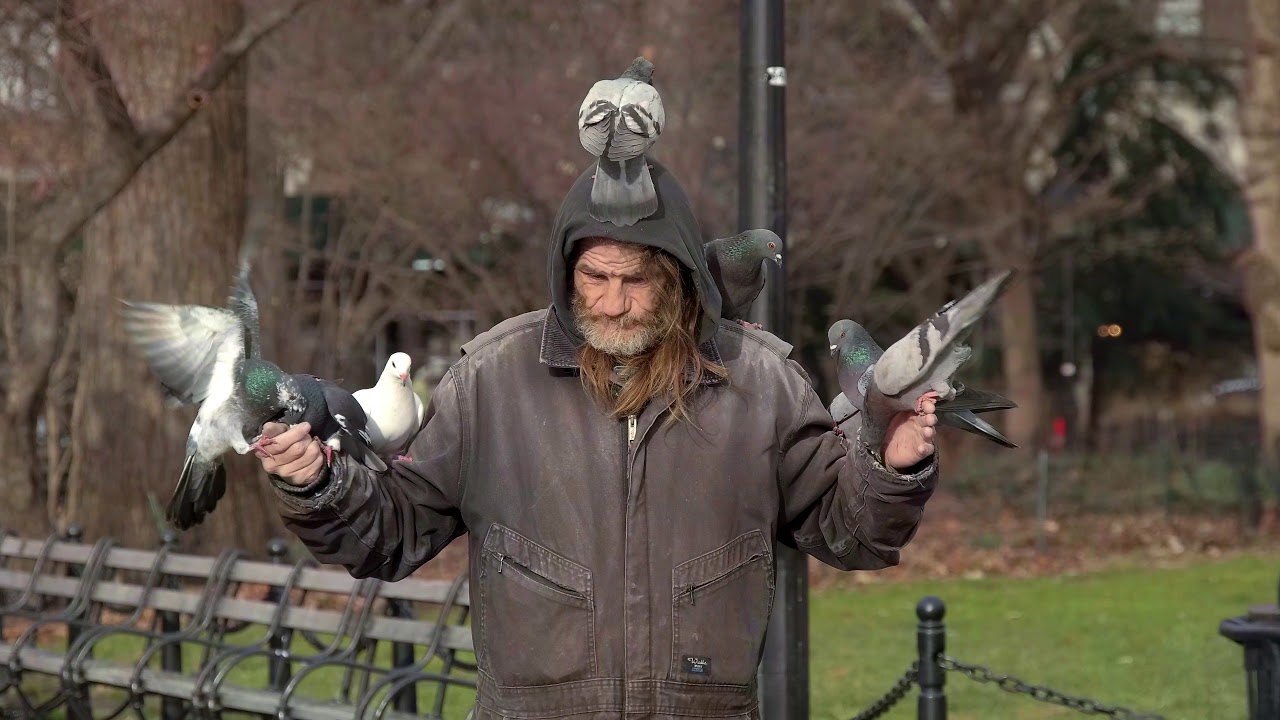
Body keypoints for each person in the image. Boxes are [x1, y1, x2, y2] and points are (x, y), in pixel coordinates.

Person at [256, 160, 939, 720]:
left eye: (636, 280)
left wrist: (893, 465)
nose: (613, 303)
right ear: (566, 272)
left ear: (677, 277)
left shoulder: (759, 380)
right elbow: (389, 535)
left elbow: (849, 530)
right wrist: (316, 482)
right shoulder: (491, 379)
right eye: (595, 278)